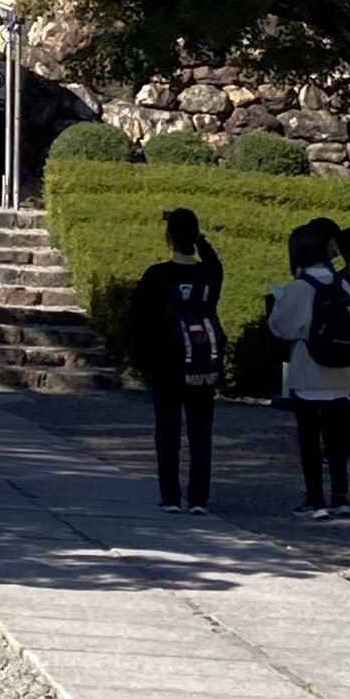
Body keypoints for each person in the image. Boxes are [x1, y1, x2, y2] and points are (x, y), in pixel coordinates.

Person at [129, 206, 225, 514]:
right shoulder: (209, 274)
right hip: (202, 360)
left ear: (168, 236)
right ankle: (199, 497)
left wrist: (141, 359)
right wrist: (201, 240)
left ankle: (170, 495)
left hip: (167, 361)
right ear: (195, 236)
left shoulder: (157, 276)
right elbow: (214, 262)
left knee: (167, 430)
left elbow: (138, 320)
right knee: (201, 431)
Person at [269, 220, 350, 519]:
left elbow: (281, 327)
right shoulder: (342, 282)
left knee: (310, 439)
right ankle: (341, 496)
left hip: (309, 370)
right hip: (343, 371)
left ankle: (315, 499)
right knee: (337, 440)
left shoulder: (300, 287)